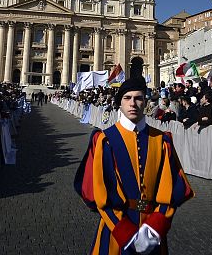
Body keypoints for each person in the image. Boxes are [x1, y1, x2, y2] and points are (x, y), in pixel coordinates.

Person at [74, 77, 194, 254]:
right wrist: (125, 232)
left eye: (138, 98)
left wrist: (154, 227)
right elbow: (99, 192)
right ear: (120, 103)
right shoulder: (104, 140)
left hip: (153, 229)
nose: (133, 103)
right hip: (116, 229)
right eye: (127, 98)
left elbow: (171, 188)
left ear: (145, 102)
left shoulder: (162, 140)